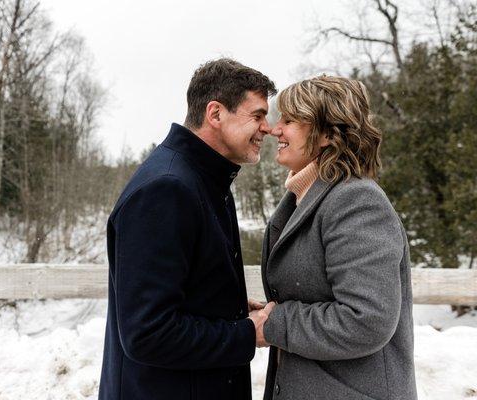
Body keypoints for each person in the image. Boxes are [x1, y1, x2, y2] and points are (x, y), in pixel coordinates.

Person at [98, 58, 277, 400]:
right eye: (257, 115)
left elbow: (178, 288)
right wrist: (244, 333)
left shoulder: (206, 179)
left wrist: (230, 308)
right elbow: (148, 332)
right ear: (215, 113)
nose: (267, 127)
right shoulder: (166, 189)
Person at [255, 76, 418, 400]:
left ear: (328, 134)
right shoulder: (306, 199)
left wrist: (276, 324)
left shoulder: (356, 202)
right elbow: (315, 293)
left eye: (289, 120)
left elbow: (366, 319)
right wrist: (265, 310)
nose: (276, 129)